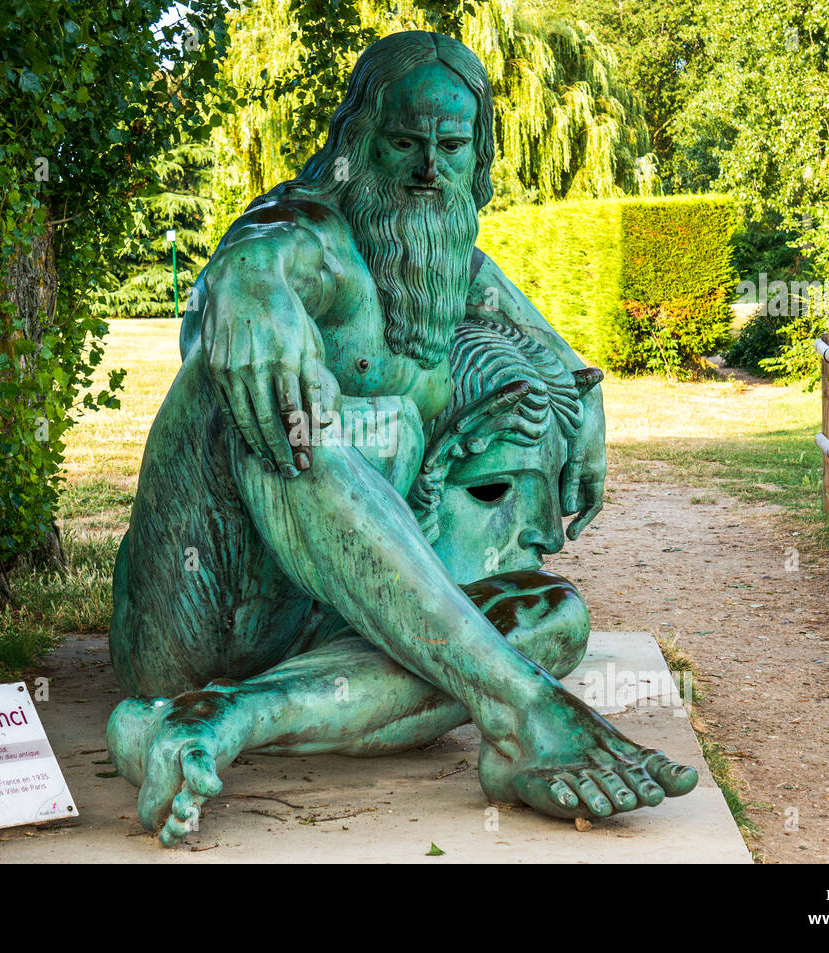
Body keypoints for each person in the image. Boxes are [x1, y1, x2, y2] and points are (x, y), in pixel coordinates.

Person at [108, 31, 697, 847]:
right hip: (194, 614)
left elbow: (558, 362)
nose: (428, 168)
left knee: (554, 616)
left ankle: (226, 719)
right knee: (286, 413)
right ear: (357, 143)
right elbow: (260, 254)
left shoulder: (450, 269)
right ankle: (524, 710)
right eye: (404, 143)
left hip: (320, 629)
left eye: (451, 147)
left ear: (476, 162)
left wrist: (583, 402)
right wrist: (247, 287)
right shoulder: (320, 240)